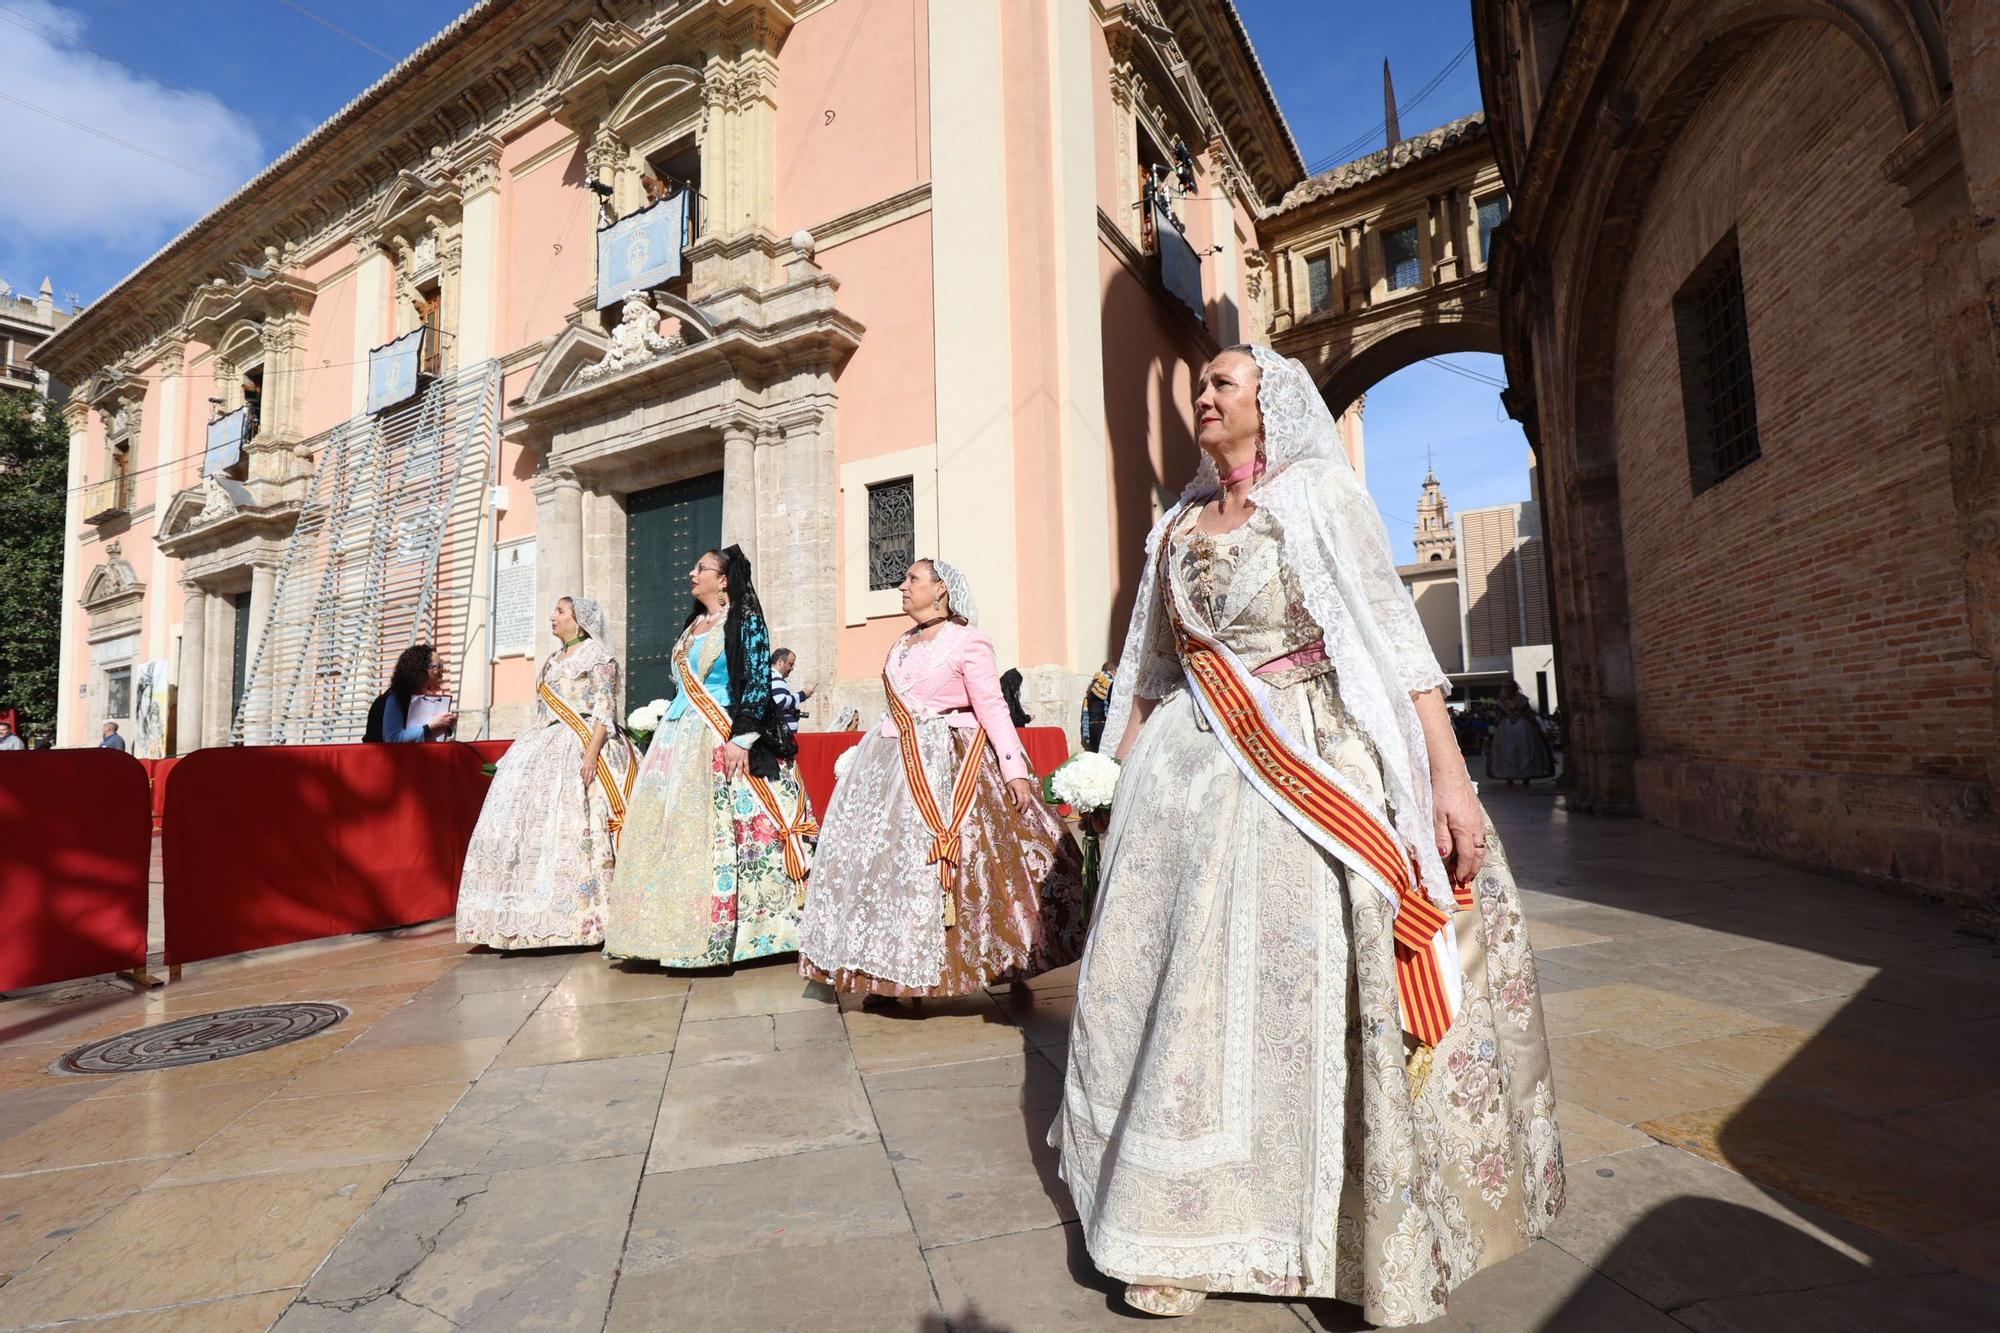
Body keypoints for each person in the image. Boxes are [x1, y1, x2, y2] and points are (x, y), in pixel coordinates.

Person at [1052, 346, 1562, 1323]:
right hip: (1181, 790)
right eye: (1197, 384)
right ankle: (1171, 1226)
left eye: (1223, 383)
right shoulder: (1173, 527)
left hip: (1308, 769)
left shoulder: (1324, 500)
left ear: (1270, 403)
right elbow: (1150, 672)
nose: (1203, 394)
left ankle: (1343, 1225)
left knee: (1306, 992)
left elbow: (1397, 647)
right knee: (1177, 991)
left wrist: (1447, 780)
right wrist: (1107, 777)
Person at [799, 559, 1086, 1002]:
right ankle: (886, 972)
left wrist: (1014, 770)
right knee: (888, 863)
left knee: (980, 868)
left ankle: (1006, 961)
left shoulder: (968, 641)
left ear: (941, 590)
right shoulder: (901, 644)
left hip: (953, 762)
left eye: (913, 579)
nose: (902, 586)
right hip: (895, 763)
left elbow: (992, 706)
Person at [607, 546, 816, 968]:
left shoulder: (744, 620)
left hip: (724, 736)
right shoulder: (692, 627)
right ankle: (658, 929)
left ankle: (745, 930)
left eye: (701, 568)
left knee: (725, 830)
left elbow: (756, 679)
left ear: (723, 580)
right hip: (677, 740)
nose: (691, 573)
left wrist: (743, 738)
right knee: (667, 831)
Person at [456, 597, 635, 949]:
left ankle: (583, 917)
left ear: (580, 622)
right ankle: (515, 919)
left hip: (583, 743)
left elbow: (604, 709)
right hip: (544, 744)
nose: (553, 617)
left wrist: (591, 753)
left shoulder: (598, 657)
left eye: (560, 612)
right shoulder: (553, 661)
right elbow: (542, 712)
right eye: (553, 610)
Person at [364, 644, 457, 743]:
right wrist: (431, 726)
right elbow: (393, 738)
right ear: (421, 670)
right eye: (438, 666)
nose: (443, 670)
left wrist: (445, 725)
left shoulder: (422, 697)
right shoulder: (396, 697)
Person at [1486, 681, 1556, 785]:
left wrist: (1532, 722)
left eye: (1510, 687)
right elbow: (1498, 716)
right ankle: (1509, 776)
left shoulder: (1522, 699)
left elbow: (1528, 712)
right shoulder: (1501, 701)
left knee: (1525, 748)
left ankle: (1526, 776)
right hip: (1506, 727)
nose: (1508, 690)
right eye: (1506, 688)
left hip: (1523, 726)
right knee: (1506, 750)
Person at [769, 648, 813, 736]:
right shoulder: (776, 679)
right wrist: (802, 695)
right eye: (790, 664)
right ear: (780, 662)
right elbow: (781, 702)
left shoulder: (772, 678)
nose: (791, 668)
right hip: (782, 736)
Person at [1079, 661, 1114, 753]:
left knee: (1094, 756)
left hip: (1090, 726)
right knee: (1104, 757)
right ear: (1113, 671)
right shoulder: (1109, 682)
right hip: (1102, 725)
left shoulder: (1093, 684)